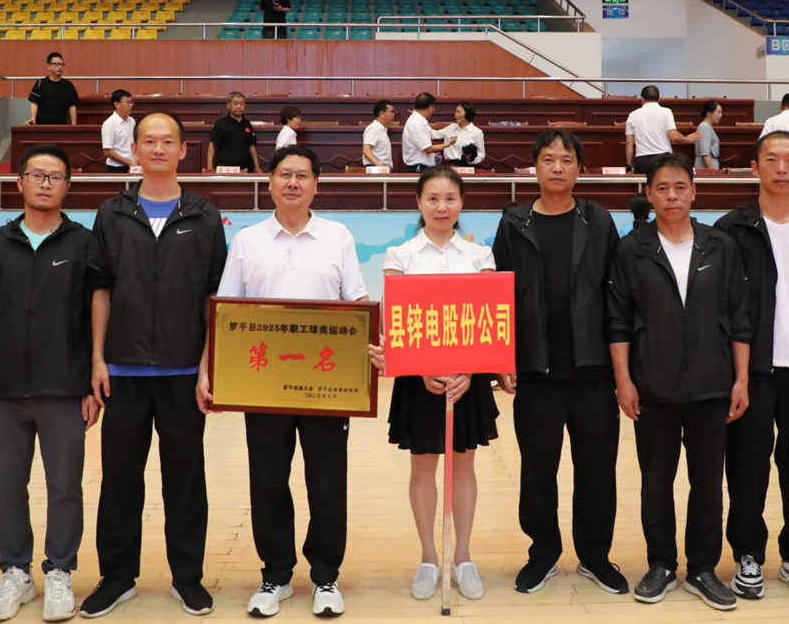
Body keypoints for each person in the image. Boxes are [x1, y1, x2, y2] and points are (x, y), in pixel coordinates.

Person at [211, 145, 374, 618]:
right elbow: (227, 310)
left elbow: (357, 302)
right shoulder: (248, 240)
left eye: (303, 176)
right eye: (284, 174)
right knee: (267, 481)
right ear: (270, 182)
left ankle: (325, 575)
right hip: (262, 385)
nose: (293, 183)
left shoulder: (337, 236)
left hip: (327, 386)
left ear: (316, 185)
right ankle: (276, 574)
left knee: (327, 482)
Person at [82, 111, 227, 619]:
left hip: (183, 373)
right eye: (149, 141)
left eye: (168, 141)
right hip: (122, 371)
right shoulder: (112, 213)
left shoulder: (204, 215)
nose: (159, 149)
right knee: (120, 480)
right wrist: (97, 359)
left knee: (185, 479)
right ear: (135, 150)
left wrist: (206, 366)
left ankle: (187, 578)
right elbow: (100, 289)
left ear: (183, 150)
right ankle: (117, 577)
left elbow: (214, 298)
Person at [606, 154, 751, 611]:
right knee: (656, 482)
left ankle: (704, 568)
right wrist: (624, 380)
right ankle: (661, 565)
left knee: (707, 483)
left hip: (712, 384)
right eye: (663, 188)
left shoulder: (720, 245)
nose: (672, 196)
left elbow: (739, 317)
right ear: (649, 194)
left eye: (680, 187)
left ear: (694, 192)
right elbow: (618, 321)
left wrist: (741, 380)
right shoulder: (632, 248)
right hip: (653, 386)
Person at [0, 143, 102, 622]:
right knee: (7, 486)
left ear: (68, 186)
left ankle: (60, 571)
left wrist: (88, 384)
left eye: (55, 176)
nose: (45, 183)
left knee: (65, 487)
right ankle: (16, 572)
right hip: (1, 391)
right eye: (37, 174)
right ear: (19, 181)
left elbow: (94, 319)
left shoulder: (84, 243)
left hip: (64, 390)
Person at [491, 129, 627, 597]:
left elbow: (616, 294)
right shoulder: (514, 222)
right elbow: (500, 295)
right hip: (536, 371)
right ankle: (543, 552)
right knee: (537, 470)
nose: (556, 167)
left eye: (566, 160)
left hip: (593, 371)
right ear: (534, 166)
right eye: (548, 159)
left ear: (579, 169)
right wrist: (502, 357)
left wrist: (621, 371)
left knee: (597, 470)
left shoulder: (598, 220)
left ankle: (595, 555)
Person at [714, 131, 789, 603]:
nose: (781, 168)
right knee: (746, 466)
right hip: (754, 369)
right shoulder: (731, 228)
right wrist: (734, 372)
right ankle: (747, 554)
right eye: (771, 159)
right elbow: (724, 307)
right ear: (755, 167)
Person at [381, 165, 499, 602]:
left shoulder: (480, 257)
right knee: (423, 466)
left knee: (464, 465)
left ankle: (462, 557)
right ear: (418, 202)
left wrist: (469, 369)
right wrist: (420, 369)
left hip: (468, 377)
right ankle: (429, 558)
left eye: (450, 198)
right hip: (420, 379)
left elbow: (487, 322)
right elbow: (396, 324)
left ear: (462, 202)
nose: (442, 207)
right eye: (432, 198)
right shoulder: (400, 256)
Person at [624, 86, 700, 174]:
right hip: (664, 159)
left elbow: (629, 142)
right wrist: (686, 139)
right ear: (659, 99)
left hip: (643, 159)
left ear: (642, 99)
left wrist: (629, 165)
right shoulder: (666, 112)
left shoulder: (633, 115)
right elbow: (673, 136)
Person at [402, 92, 457, 173]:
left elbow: (431, 136)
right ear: (430, 107)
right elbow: (428, 149)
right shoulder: (417, 123)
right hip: (418, 168)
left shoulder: (418, 120)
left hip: (420, 167)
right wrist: (448, 144)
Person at [208, 91, 262, 173]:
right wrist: (209, 166)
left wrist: (256, 167)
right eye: (235, 103)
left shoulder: (247, 123)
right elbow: (212, 145)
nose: (239, 106)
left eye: (241, 103)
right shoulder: (221, 124)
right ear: (228, 105)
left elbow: (251, 145)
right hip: (226, 168)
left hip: (245, 169)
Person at [29, 52, 81, 126]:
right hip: (42, 125)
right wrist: (33, 117)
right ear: (48, 66)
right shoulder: (40, 83)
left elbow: (72, 106)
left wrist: (74, 125)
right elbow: (34, 103)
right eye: (56, 64)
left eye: (62, 64)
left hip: (61, 126)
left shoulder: (68, 85)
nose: (60, 67)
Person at [439, 102, 486, 167]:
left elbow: (481, 154)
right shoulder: (451, 128)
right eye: (455, 112)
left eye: (459, 112)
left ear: (468, 113)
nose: (456, 115)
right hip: (450, 165)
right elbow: (434, 134)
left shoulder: (477, 132)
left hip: (467, 165)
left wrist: (470, 159)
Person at [101, 90, 136, 173]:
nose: (131, 105)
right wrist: (129, 162)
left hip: (133, 165)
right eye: (128, 102)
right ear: (117, 104)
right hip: (117, 168)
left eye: (131, 102)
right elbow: (107, 151)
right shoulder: (109, 124)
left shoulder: (132, 121)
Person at [362, 99, 396, 168]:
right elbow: (366, 150)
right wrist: (379, 166)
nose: (393, 114)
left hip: (381, 169)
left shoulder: (381, 129)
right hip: (376, 169)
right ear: (382, 113)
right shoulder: (373, 128)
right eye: (391, 112)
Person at [693, 100, 722, 169]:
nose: (720, 115)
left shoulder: (707, 127)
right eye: (718, 112)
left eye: (721, 113)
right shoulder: (704, 127)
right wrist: (712, 171)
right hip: (705, 168)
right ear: (709, 113)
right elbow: (705, 153)